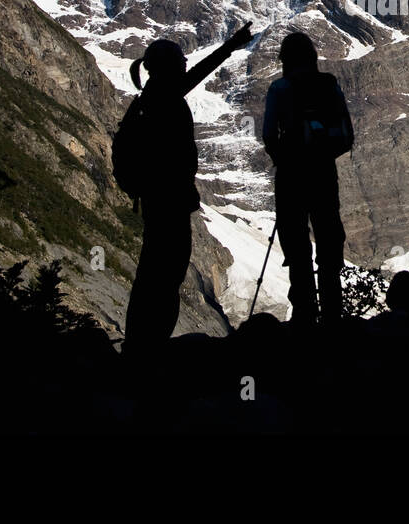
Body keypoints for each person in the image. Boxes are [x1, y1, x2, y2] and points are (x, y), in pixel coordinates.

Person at [122, 22, 254, 358]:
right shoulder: (163, 96)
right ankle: (149, 348)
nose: (183, 64)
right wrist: (231, 46)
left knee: (154, 272)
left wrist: (231, 46)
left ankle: (141, 345)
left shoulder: (152, 97)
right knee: (164, 274)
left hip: (159, 200)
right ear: (166, 66)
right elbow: (196, 74)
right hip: (169, 201)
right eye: (178, 60)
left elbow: (192, 74)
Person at [262, 32, 354, 328]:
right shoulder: (329, 85)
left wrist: (284, 158)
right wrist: (322, 154)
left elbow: (268, 135)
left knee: (296, 242)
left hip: (291, 177)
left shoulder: (279, 89)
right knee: (328, 238)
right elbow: (345, 135)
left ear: (285, 60)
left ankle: (304, 314)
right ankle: (332, 314)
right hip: (324, 173)